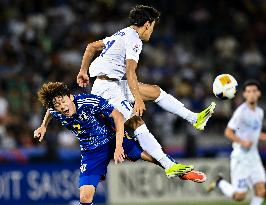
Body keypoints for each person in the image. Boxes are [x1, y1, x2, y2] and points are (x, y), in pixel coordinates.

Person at [76, 4, 216, 178]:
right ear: (148, 24)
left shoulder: (122, 33)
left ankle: (195, 118)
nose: (152, 31)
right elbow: (130, 71)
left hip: (112, 83)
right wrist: (138, 99)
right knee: (136, 122)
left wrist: (83, 71)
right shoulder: (134, 39)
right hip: (107, 89)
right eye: (153, 26)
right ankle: (169, 165)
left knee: (155, 91)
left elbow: (90, 47)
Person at [34, 82, 206, 205]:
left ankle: (180, 171)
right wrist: (43, 127)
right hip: (91, 152)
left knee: (150, 157)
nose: (62, 106)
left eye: (63, 101)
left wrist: (118, 147)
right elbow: (49, 112)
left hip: (112, 137)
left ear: (71, 97)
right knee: (85, 198)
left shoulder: (89, 102)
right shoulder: (56, 111)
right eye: (57, 105)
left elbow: (117, 116)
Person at [207, 80, 266, 205]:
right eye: (248, 91)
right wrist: (242, 142)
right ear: (244, 94)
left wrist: (263, 137)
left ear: (259, 93)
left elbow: (254, 133)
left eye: (254, 91)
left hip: (254, 157)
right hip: (241, 157)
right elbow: (228, 132)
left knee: (261, 191)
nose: (252, 94)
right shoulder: (241, 112)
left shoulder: (259, 113)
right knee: (240, 196)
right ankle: (220, 182)